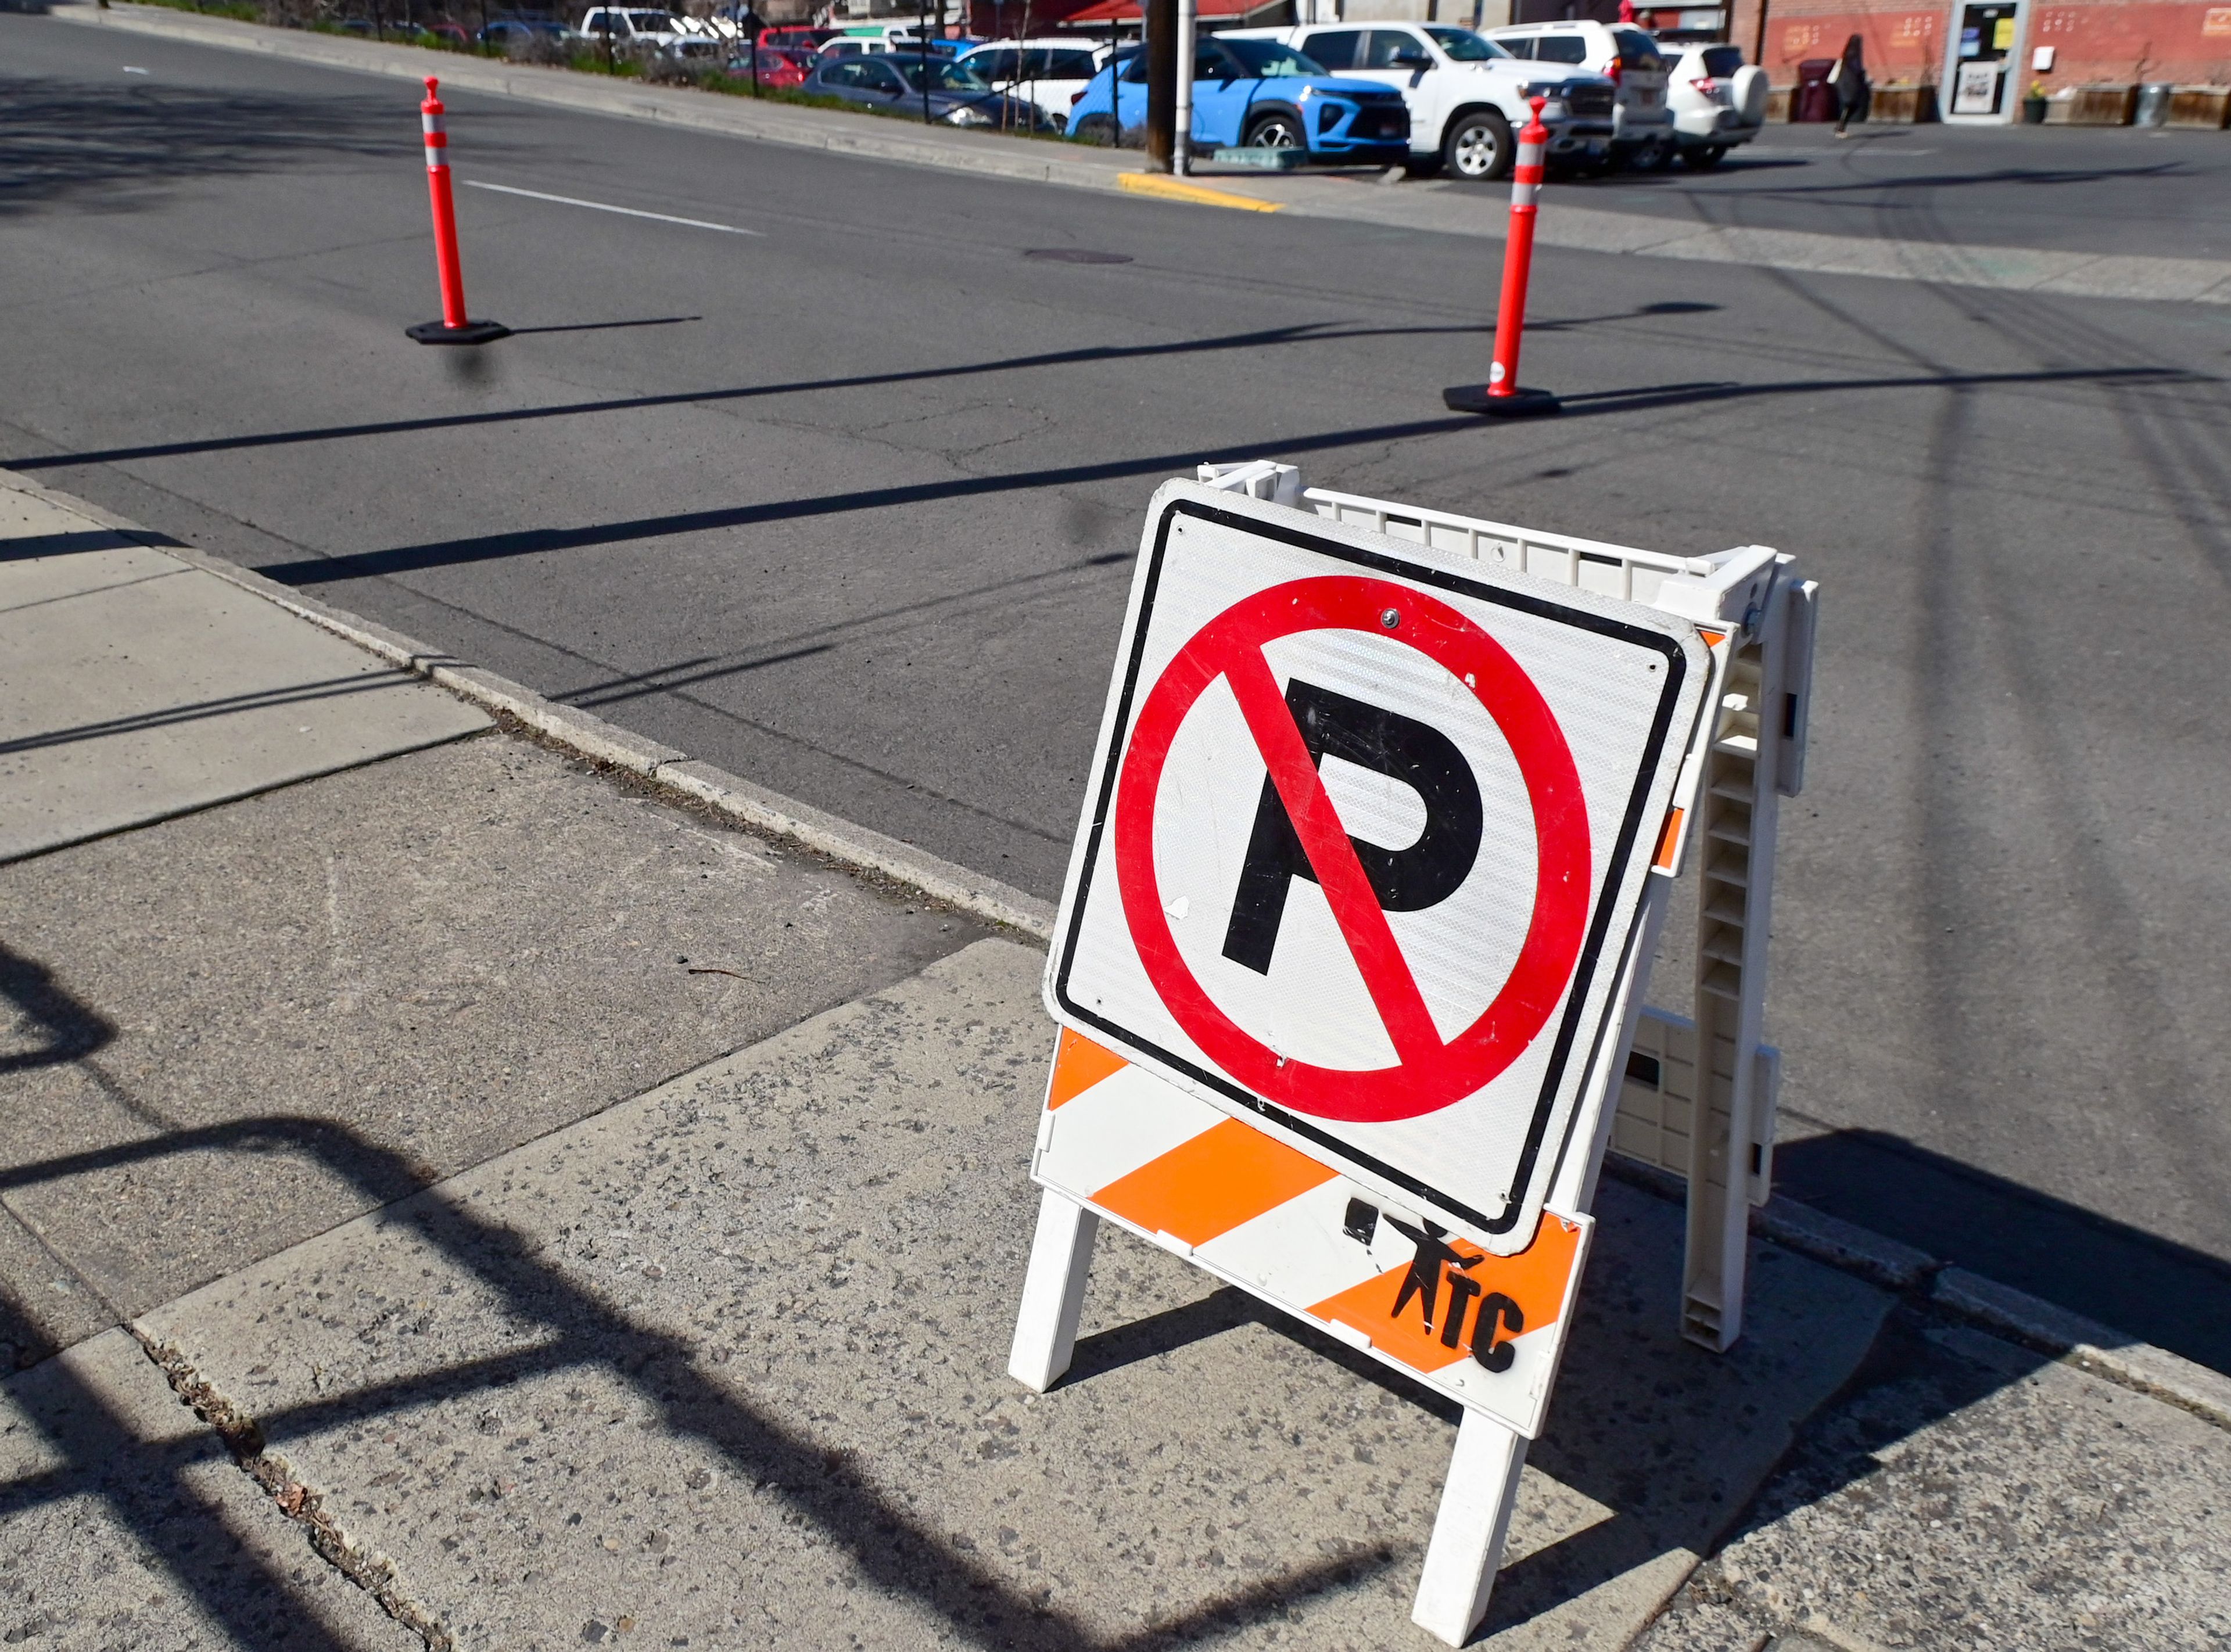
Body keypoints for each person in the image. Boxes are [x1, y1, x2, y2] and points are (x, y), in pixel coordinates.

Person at [1831, 33, 1871, 135]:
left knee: (1848, 105)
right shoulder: (1854, 54)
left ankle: (1840, 127)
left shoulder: (1847, 54)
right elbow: (1856, 70)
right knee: (1853, 105)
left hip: (1844, 84)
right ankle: (1840, 128)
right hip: (1851, 85)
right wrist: (1863, 75)